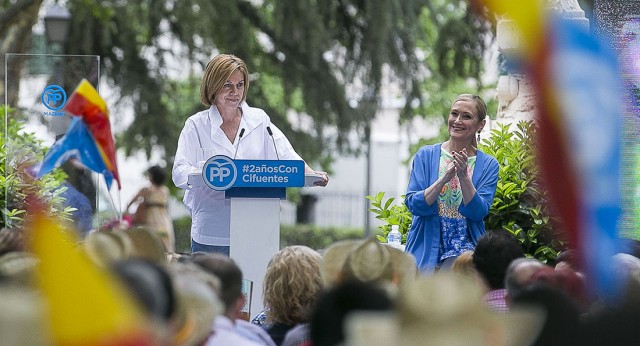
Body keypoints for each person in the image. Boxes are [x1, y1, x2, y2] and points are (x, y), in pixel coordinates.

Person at [172, 54, 328, 255]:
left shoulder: (259, 120)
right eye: (227, 85)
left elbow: (286, 154)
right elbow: (179, 173)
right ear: (213, 85)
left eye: (240, 84)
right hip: (212, 232)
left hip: (256, 230)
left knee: (254, 286)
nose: (235, 92)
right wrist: (205, 174)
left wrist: (311, 174)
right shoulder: (196, 125)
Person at [404, 94, 499, 273]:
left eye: (466, 116)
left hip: (466, 254)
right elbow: (414, 204)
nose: (457, 120)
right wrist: (444, 179)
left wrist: (463, 176)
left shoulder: (488, 165)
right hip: (425, 247)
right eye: (454, 114)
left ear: (481, 125)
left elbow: (479, 212)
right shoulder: (425, 155)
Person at [126, 165, 175, 253]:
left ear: (152, 176)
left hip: (150, 222)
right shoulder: (165, 190)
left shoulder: (146, 190)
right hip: (164, 222)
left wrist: (127, 211)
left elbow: (131, 202)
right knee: (165, 246)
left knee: (151, 246)